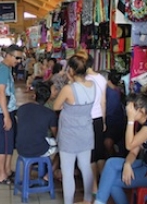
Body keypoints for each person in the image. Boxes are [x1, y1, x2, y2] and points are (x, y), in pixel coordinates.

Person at [94, 91, 147, 204]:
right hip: (146, 165)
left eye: (131, 108)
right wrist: (127, 164)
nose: (128, 110)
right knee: (111, 163)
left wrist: (130, 120)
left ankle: (99, 201)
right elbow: (133, 151)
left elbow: (129, 145)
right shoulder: (142, 124)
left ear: (142, 110)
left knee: (112, 182)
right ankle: (99, 201)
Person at [53, 52, 96, 204]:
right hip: (86, 132)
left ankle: (69, 202)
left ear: (71, 70)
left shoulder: (68, 89)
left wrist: (68, 84)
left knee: (67, 172)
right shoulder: (93, 85)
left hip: (69, 135)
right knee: (85, 167)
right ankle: (88, 199)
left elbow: (56, 106)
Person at [0, 44, 23, 185]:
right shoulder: (3, 70)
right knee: (3, 143)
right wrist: (6, 116)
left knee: (9, 143)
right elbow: (1, 92)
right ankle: (1, 175)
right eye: (17, 58)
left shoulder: (3, 67)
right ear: (8, 55)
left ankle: (7, 170)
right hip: (2, 112)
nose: (18, 61)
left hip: (7, 110)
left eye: (20, 58)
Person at [16, 81, 58, 179]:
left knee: (31, 139)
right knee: (64, 149)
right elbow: (57, 135)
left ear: (34, 96)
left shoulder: (21, 109)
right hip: (39, 149)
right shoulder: (49, 113)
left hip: (20, 147)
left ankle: (27, 175)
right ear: (48, 98)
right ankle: (49, 175)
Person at [86, 54, 107, 194]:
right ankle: (105, 184)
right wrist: (104, 121)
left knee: (90, 154)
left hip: (86, 119)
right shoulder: (101, 78)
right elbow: (103, 101)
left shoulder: (84, 80)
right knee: (99, 151)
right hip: (99, 118)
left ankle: (94, 186)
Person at [104, 70, 126, 157]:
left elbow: (109, 112)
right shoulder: (116, 90)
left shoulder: (112, 93)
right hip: (118, 122)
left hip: (113, 123)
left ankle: (112, 157)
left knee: (107, 142)